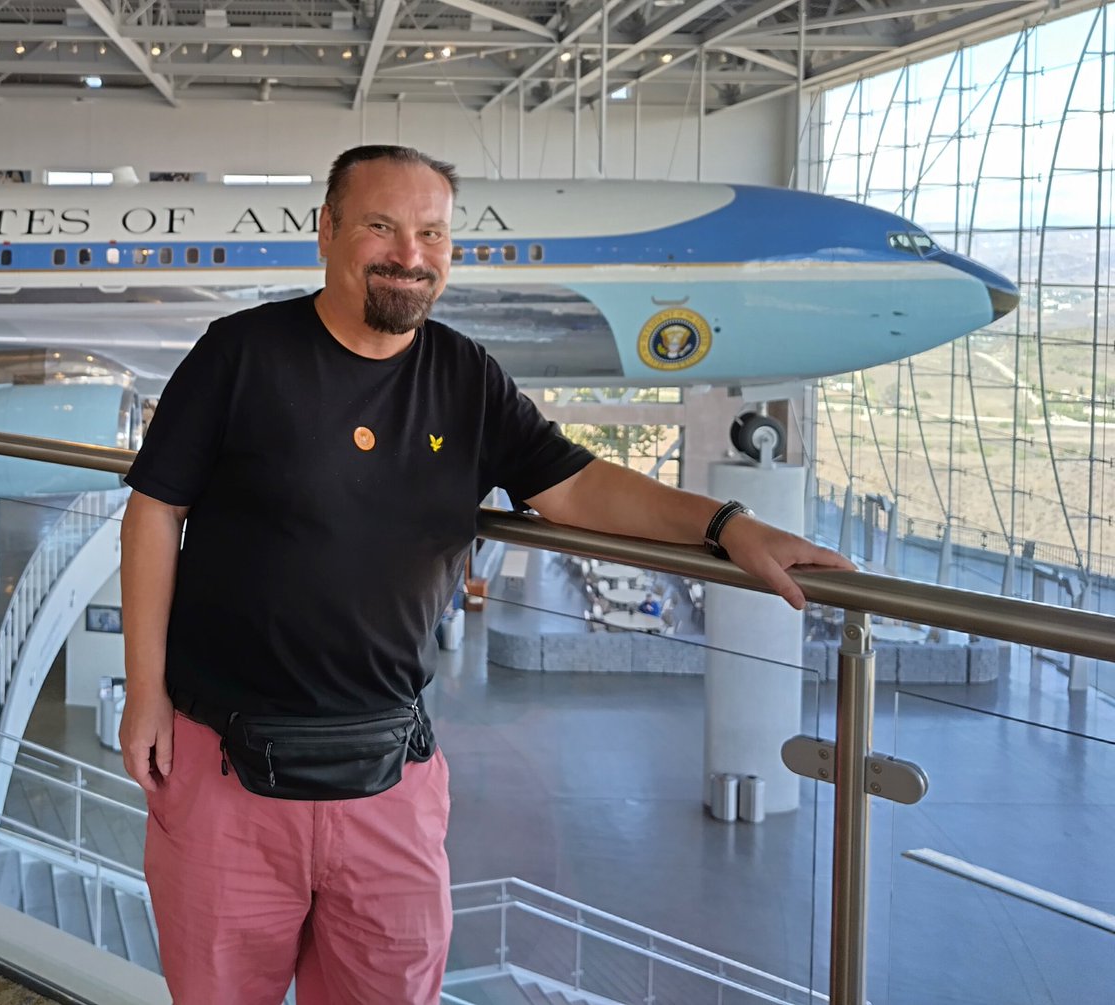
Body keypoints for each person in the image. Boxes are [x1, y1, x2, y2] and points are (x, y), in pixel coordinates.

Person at [118, 144, 854, 1005]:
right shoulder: (240, 354)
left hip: (388, 776)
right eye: (381, 227)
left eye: (432, 233)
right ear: (327, 232)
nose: (410, 254)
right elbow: (154, 510)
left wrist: (726, 524)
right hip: (222, 771)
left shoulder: (463, 376)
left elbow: (575, 483)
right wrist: (145, 692)